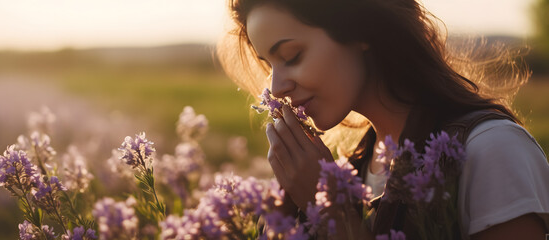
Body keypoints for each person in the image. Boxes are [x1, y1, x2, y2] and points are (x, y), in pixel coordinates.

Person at [217, 0, 549, 239]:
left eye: (292, 56)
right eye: (270, 64)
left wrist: (333, 210)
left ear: (360, 29)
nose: (276, 87)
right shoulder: (357, 168)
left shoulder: (492, 150)